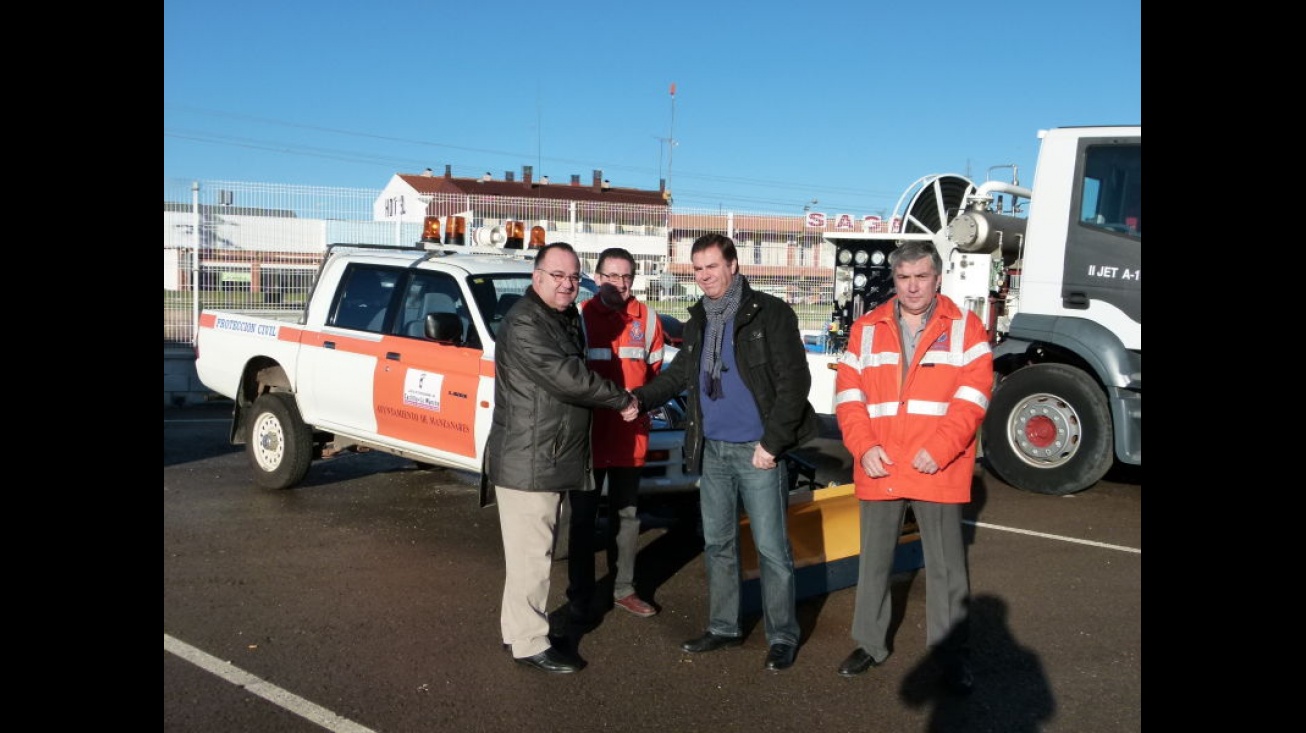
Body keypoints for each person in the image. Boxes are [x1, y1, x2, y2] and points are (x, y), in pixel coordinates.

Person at [632, 233, 818, 672]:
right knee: (718, 544)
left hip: (758, 452)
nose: (704, 276)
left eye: (711, 266)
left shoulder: (771, 313)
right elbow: (679, 375)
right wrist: (638, 400)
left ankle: (782, 634)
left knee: (772, 549)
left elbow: (795, 383)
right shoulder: (699, 320)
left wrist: (772, 444)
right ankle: (723, 627)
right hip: (712, 450)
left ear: (732, 265)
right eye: (697, 269)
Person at [832, 239, 992, 695]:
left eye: (921, 276)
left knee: (946, 568)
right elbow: (848, 396)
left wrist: (940, 449)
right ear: (894, 280)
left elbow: (974, 395)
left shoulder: (965, 327)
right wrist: (863, 447)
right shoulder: (865, 328)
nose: (912, 286)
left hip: (935, 466)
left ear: (937, 278)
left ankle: (950, 656)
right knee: (874, 561)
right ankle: (869, 643)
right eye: (903, 278)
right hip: (880, 461)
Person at [485, 242, 639, 674]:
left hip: (546, 453)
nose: (568, 284)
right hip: (529, 457)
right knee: (532, 555)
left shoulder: (559, 316)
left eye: (574, 277)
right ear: (536, 277)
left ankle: (517, 629)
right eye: (558, 275)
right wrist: (620, 400)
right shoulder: (525, 323)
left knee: (528, 553)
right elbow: (567, 377)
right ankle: (531, 642)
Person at [567, 248, 664, 623]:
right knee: (583, 519)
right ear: (596, 276)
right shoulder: (580, 319)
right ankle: (580, 594)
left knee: (627, 517)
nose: (619, 285)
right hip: (588, 437)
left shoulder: (650, 320)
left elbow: (654, 375)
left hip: (629, 438)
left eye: (626, 278)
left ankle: (623, 589)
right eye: (611, 277)